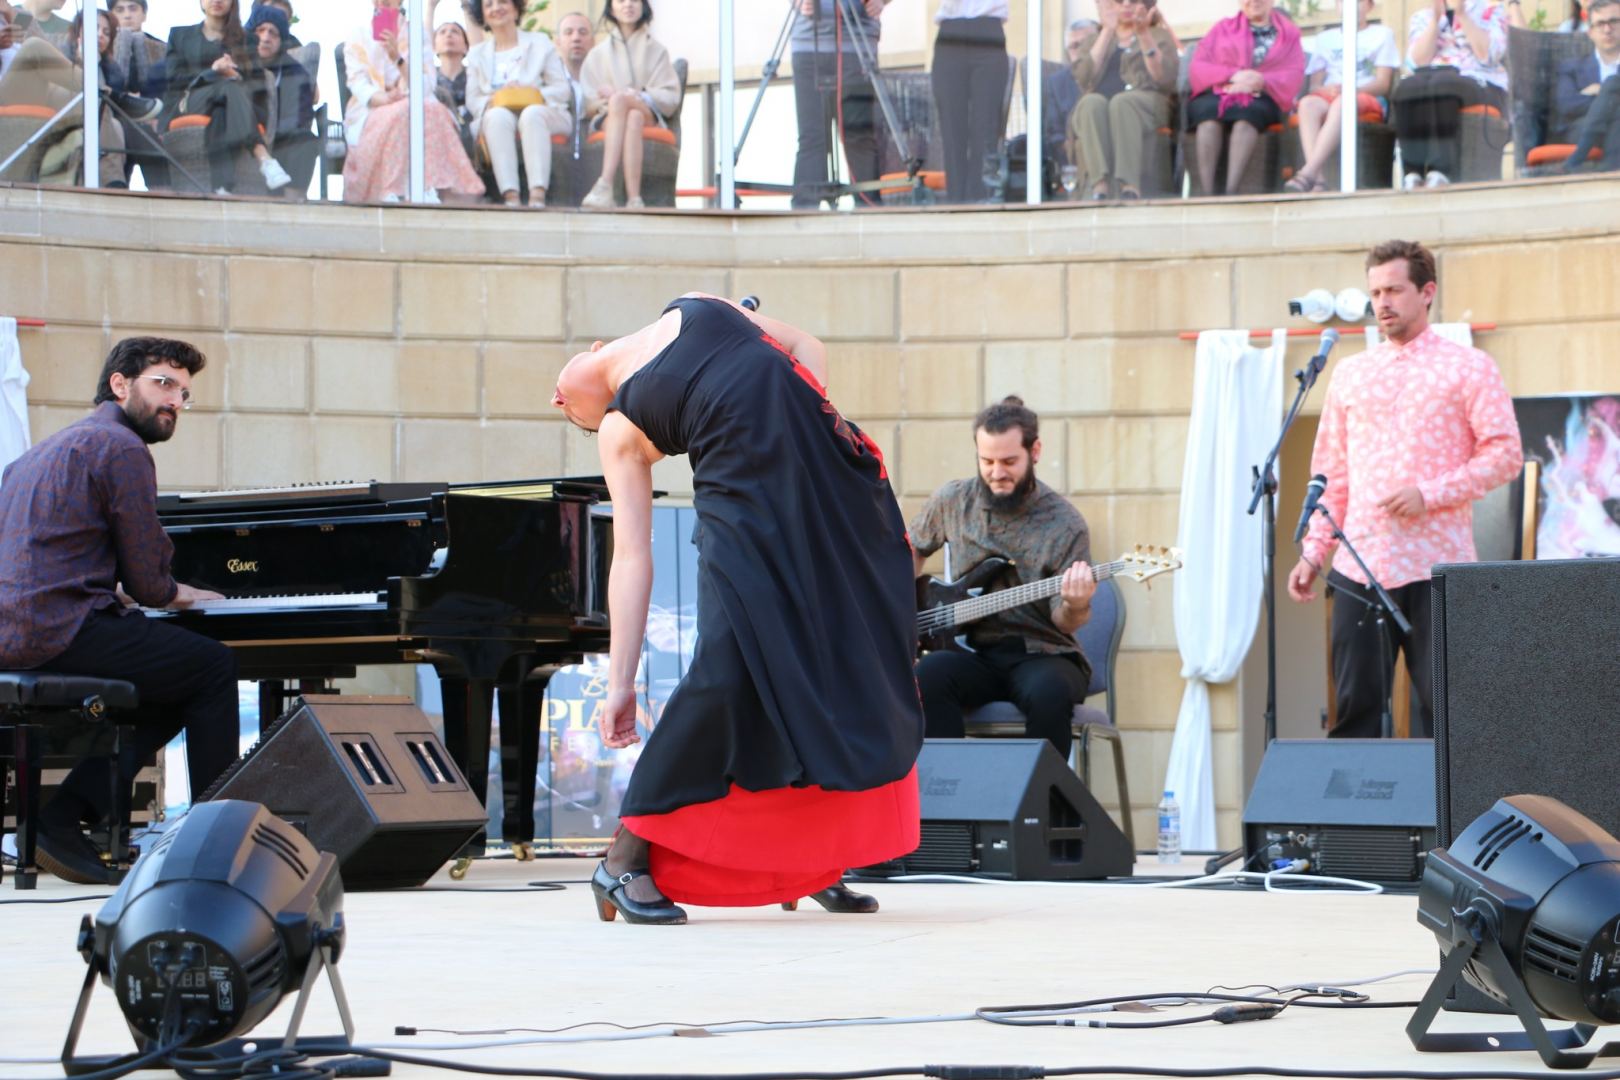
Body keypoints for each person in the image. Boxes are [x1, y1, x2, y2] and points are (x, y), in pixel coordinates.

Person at [550, 295, 923, 924]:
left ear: (589, 351)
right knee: (727, 672)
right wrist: (620, 682)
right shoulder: (619, 428)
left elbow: (807, 348)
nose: (560, 405)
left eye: (560, 397)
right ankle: (623, 860)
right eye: (572, 419)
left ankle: (812, 860)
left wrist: (799, 424)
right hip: (743, 511)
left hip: (823, 486)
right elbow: (631, 559)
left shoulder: (697, 306)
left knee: (840, 662)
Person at [0, 337, 238, 885]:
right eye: (163, 383)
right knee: (212, 667)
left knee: (171, 680)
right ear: (119, 384)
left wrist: (115, 593)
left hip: (20, 631)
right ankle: (211, 851)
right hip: (59, 629)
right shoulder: (123, 448)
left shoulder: (35, 454)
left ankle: (61, 819)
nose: (174, 400)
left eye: (184, 393)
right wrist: (179, 592)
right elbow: (151, 583)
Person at [1288, 240, 1521, 739]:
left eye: (1394, 289)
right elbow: (1330, 474)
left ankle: (1450, 820)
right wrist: (1313, 552)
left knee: (1449, 718)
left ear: (1427, 291)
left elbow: (1505, 454)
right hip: (1359, 563)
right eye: (1375, 292)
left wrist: (1429, 493)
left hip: (1437, 566)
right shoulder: (1350, 374)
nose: (1383, 303)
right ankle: (1359, 820)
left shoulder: (1469, 366)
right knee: (1354, 712)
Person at [910, 397, 1096, 761]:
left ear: (1035, 451)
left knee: (1049, 693)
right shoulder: (953, 500)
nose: (997, 472)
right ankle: (950, 804)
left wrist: (1077, 603)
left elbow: (1065, 619)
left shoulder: (1065, 524)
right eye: (987, 461)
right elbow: (911, 549)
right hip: (971, 651)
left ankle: (1043, 813)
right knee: (928, 677)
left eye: (1009, 462)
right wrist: (902, 610)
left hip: (1043, 652)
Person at [341, 0, 485, 203]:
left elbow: (426, 85)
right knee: (406, 111)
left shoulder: (417, 33)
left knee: (432, 111)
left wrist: (397, 58)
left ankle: (431, 187)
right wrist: (383, 98)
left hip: (417, 102)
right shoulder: (359, 34)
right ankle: (392, 190)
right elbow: (357, 81)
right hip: (373, 110)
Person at [163, 0, 294, 194]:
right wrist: (212, 72)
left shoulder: (246, 40)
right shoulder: (180, 35)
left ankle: (222, 187)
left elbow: (257, 86)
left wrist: (236, 76)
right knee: (226, 87)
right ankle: (263, 156)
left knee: (222, 106)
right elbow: (174, 80)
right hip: (189, 101)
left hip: (231, 103)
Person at [1188, 0, 1305, 196]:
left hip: (1263, 95)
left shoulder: (1289, 33)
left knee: (1247, 117)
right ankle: (1206, 194)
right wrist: (1233, 75)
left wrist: (1260, 80)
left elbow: (1294, 72)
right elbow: (1198, 66)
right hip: (1221, 91)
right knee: (1208, 118)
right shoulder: (1222, 28)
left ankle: (1232, 191)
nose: (1254, 2)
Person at [1068, 0, 1178, 200]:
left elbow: (1163, 79)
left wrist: (1143, 34)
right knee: (1090, 103)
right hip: (1101, 105)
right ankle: (1099, 186)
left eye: (1134, 1)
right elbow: (1083, 78)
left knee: (1122, 103)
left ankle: (1129, 185)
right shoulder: (1094, 39)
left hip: (1146, 105)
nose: (1126, 5)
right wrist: (1107, 30)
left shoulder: (1158, 35)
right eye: (1119, 1)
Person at [464, 0, 570, 208]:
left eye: (503, 2)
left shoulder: (540, 43)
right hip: (497, 113)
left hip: (545, 113)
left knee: (532, 114)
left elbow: (562, 90)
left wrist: (530, 91)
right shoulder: (477, 55)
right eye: (489, 5)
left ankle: (537, 195)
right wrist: (497, 97)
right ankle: (511, 196)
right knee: (497, 116)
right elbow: (473, 100)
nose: (496, 8)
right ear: (483, 15)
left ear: (516, 8)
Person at [1285, 0, 1399, 193]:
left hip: (1365, 96)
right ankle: (1318, 180)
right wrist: (1326, 90)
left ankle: (1308, 172)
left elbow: (1383, 84)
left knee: (1342, 103)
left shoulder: (1382, 35)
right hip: (1332, 94)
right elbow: (1315, 84)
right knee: (1307, 104)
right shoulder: (1325, 38)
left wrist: (1350, 90)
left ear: (1370, 6)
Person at [1394, 0, 1509, 189]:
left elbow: (1489, 55)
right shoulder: (1422, 16)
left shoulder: (1491, 11)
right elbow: (1416, 63)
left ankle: (1441, 170)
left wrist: (1462, 15)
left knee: (1444, 82)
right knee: (1406, 87)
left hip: (1481, 81)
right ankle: (1412, 173)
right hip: (1432, 78)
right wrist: (1434, 21)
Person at [579, 0, 679, 210]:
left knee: (621, 101)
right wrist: (612, 102)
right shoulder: (598, 53)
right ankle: (635, 199)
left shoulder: (657, 50)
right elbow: (589, 100)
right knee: (632, 117)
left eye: (634, 0)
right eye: (621, 0)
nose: (628, 5)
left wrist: (635, 95)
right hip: (610, 116)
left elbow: (669, 96)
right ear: (611, 7)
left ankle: (604, 184)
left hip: (648, 113)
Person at [789, 0, 886, 210]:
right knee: (812, 137)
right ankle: (802, 221)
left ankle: (869, 217)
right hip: (809, 43)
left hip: (856, 45)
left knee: (858, 136)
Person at [931, 0, 1008, 203]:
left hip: (989, 28)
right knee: (951, 130)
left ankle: (981, 201)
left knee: (986, 129)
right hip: (950, 29)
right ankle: (956, 204)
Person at [246, 4, 317, 195]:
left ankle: (291, 204)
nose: (266, 37)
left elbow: (299, 117)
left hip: (279, 139)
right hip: (243, 136)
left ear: (281, 41)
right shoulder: (237, 61)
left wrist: (273, 137)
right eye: (260, 30)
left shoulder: (295, 72)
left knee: (306, 141)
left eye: (273, 33)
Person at [1558, 0, 1620, 172]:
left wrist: (1599, 92)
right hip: (1579, 128)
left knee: (1613, 84)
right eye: (1600, 24)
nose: (1608, 29)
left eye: (1614, 21)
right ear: (1590, 31)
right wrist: (1608, 98)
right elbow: (1566, 105)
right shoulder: (1571, 67)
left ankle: (1578, 157)